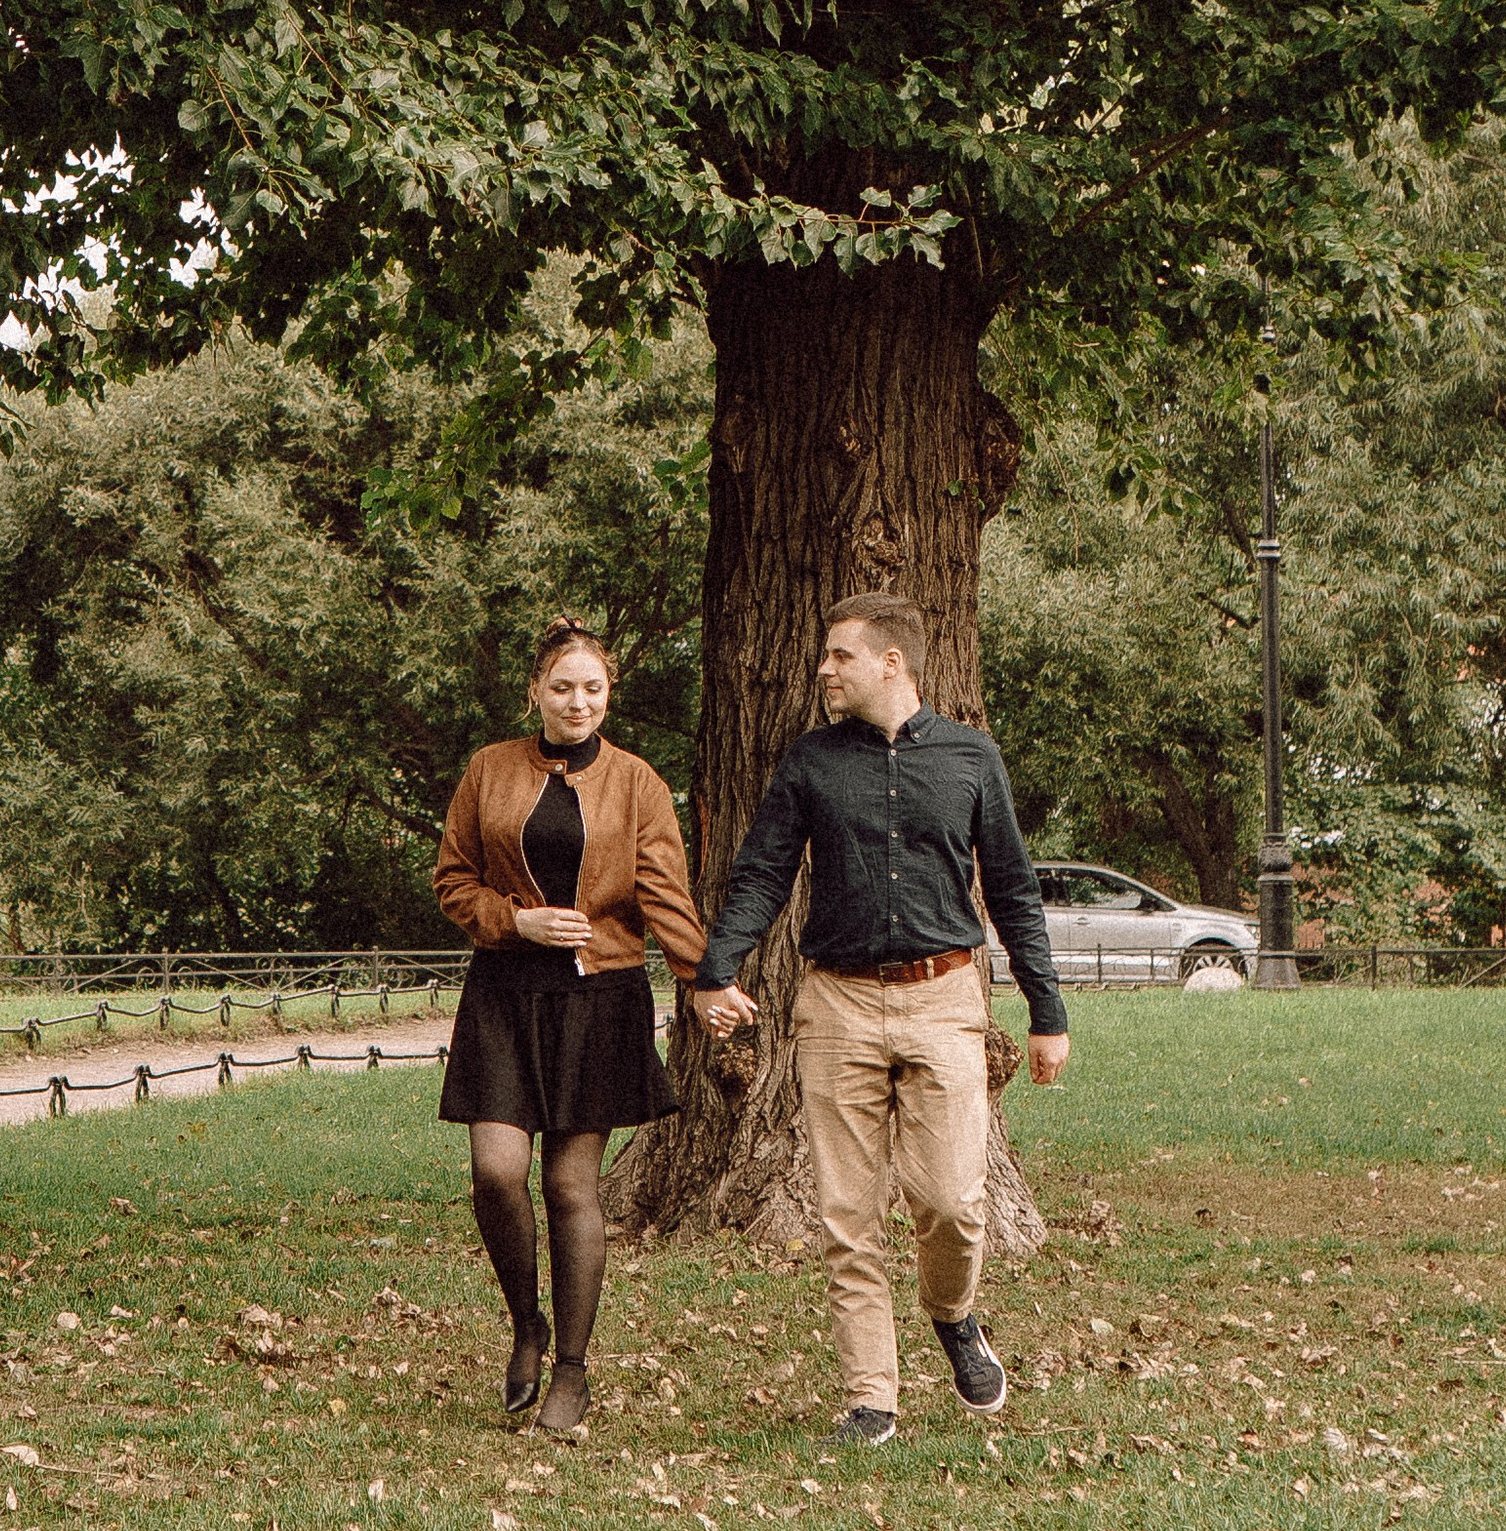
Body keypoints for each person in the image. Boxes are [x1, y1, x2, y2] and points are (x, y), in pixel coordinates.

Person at [693, 595, 1068, 1446]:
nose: (825, 670)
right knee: (846, 1212)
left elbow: (1012, 891)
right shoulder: (810, 763)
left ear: (892, 662)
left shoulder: (973, 759)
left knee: (952, 1201)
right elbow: (761, 872)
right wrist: (718, 970)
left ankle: (954, 1314)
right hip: (837, 1003)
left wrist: (1047, 1011)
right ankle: (873, 1397)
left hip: (945, 999)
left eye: (839, 656)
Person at [434, 616, 705, 1436]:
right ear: (536, 694)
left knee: (570, 1186)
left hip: (599, 1001)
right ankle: (526, 1326)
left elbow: (664, 894)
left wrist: (703, 980)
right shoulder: (490, 770)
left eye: (593, 688)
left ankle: (572, 1371)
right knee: (496, 1170)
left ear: (608, 694)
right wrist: (518, 923)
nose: (578, 702)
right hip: (505, 996)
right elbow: (453, 880)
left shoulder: (637, 783)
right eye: (563, 688)